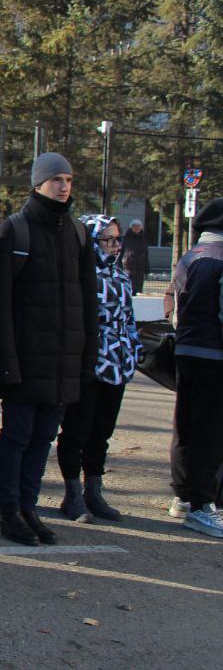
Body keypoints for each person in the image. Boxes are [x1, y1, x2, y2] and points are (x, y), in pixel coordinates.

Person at [0, 152, 97, 546]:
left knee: (42, 440)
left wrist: (87, 360)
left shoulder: (78, 234)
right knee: (16, 438)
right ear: (37, 183)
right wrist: (5, 363)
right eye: (56, 179)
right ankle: (8, 511)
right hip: (25, 362)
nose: (64, 186)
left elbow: (88, 304)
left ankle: (28, 507)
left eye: (68, 179)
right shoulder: (14, 232)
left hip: (64, 364)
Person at [57, 214, 140, 523]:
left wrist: (132, 350)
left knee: (101, 432)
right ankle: (72, 493)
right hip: (88, 363)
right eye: (108, 239)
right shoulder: (80, 275)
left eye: (118, 239)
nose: (115, 245)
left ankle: (94, 489)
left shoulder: (121, 275)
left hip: (117, 364)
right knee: (77, 430)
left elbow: (129, 318)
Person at [165, 197, 223, 537]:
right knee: (211, 432)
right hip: (216, 355)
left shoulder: (191, 257)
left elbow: (174, 306)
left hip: (187, 351)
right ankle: (203, 504)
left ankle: (183, 496)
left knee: (184, 425)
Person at [121, 219, 148, 295]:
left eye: (138, 226)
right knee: (128, 288)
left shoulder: (143, 238)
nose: (137, 227)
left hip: (140, 268)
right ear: (131, 227)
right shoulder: (126, 238)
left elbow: (146, 253)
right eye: (134, 226)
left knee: (138, 290)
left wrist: (147, 268)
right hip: (128, 267)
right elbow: (121, 252)